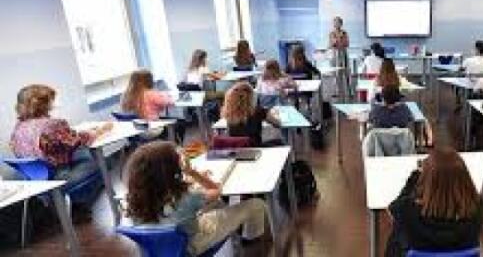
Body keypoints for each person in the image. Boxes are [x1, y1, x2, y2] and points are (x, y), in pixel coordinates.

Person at [125, 141, 266, 256]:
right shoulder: (188, 197)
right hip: (192, 246)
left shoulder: (134, 202)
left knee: (216, 205)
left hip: (159, 249)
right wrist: (192, 172)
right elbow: (216, 190)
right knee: (256, 204)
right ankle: (250, 242)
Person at [386, 147, 483, 257]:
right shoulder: (477, 211)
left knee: (397, 236)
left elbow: (393, 208)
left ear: (426, 180)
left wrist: (414, 177)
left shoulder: (406, 211)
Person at [10, 85, 112, 188]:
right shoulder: (53, 124)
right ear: (43, 104)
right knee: (105, 162)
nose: (53, 103)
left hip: (35, 182)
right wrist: (99, 131)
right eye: (51, 100)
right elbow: (78, 141)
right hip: (60, 177)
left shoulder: (17, 129)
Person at [221, 82, 281, 146]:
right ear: (251, 97)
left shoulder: (229, 113)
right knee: (279, 142)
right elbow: (277, 124)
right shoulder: (258, 111)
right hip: (254, 147)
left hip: (235, 147)